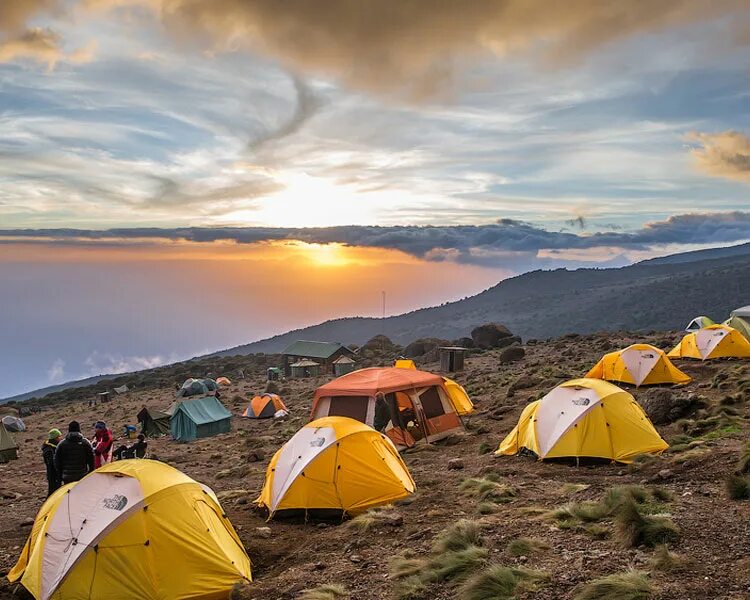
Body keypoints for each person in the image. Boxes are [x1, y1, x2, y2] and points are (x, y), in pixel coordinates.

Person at [42, 428, 62, 497]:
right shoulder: (49, 450)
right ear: (55, 438)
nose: (60, 438)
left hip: (54, 473)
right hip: (53, 473)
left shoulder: (53, 447)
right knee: (53, 490)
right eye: (59, 437)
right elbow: (51, 463)